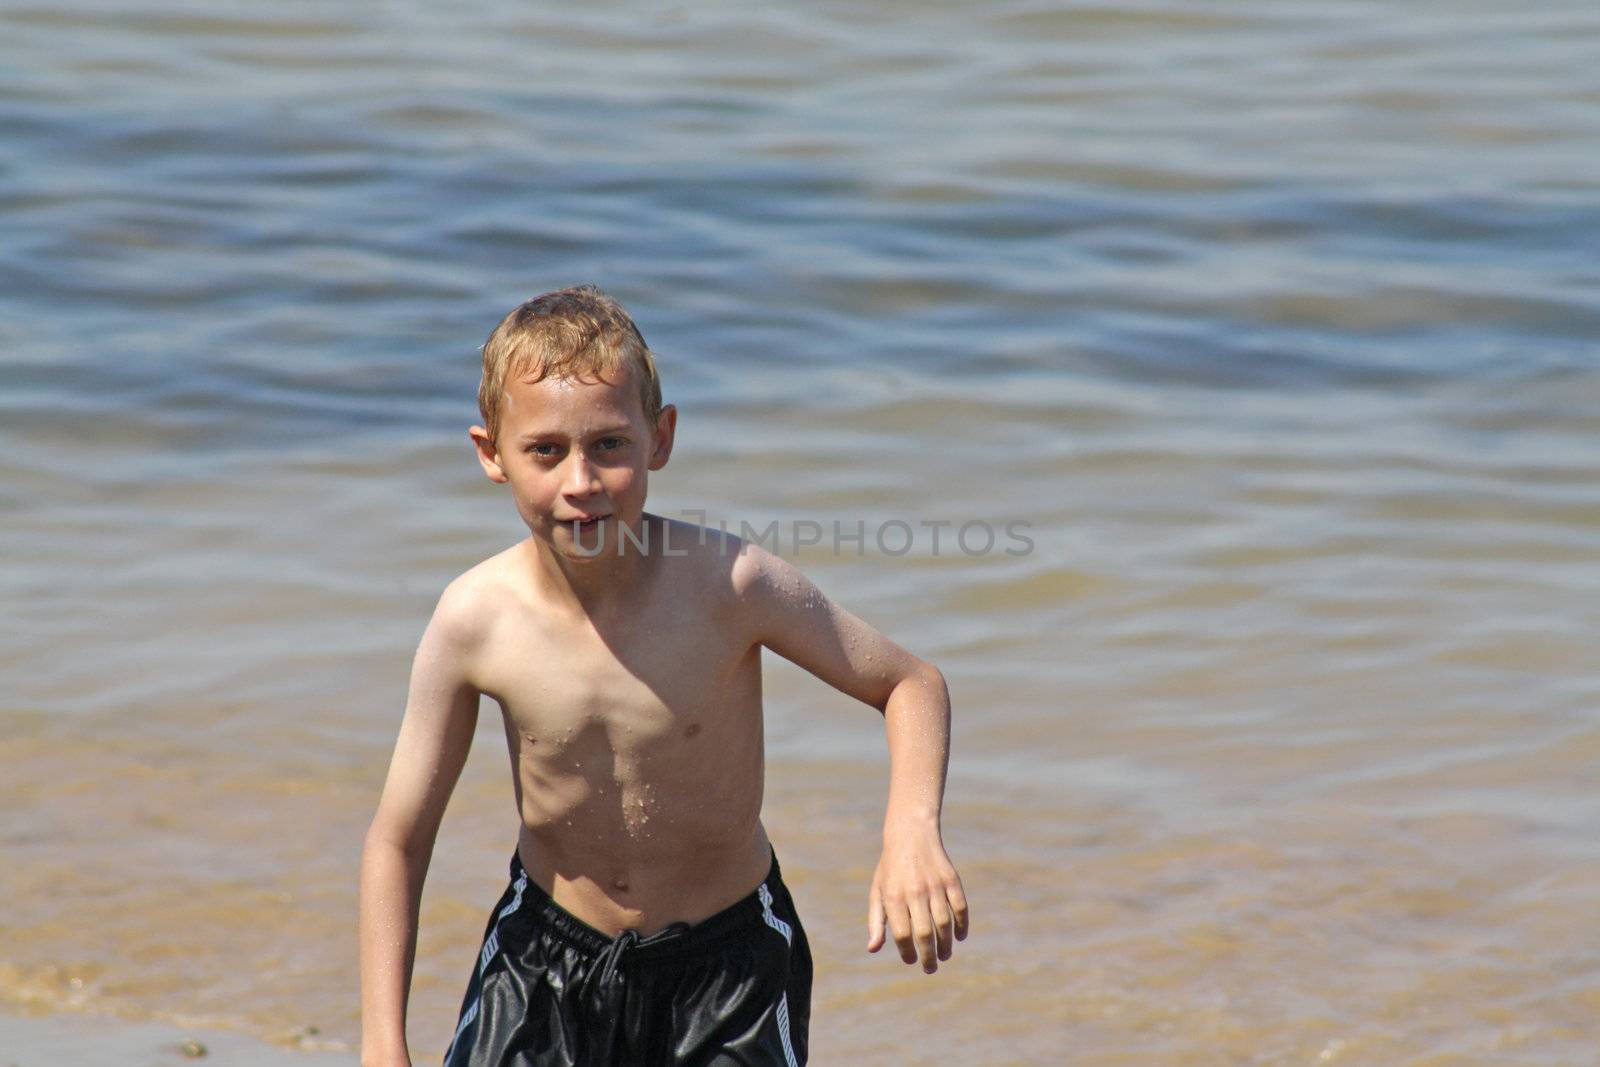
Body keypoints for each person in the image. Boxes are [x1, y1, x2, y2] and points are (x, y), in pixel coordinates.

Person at [358, 286, 969, 1067]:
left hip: (729, 967)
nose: (581, 479)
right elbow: (398, 839)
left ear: (660, 437)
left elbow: (910, 683)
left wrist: (911, 829)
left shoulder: (730, 584)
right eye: (545, 450)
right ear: (491, 453)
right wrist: (384, 1044)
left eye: (609, 444)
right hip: (545, 957)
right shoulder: (475, 620)